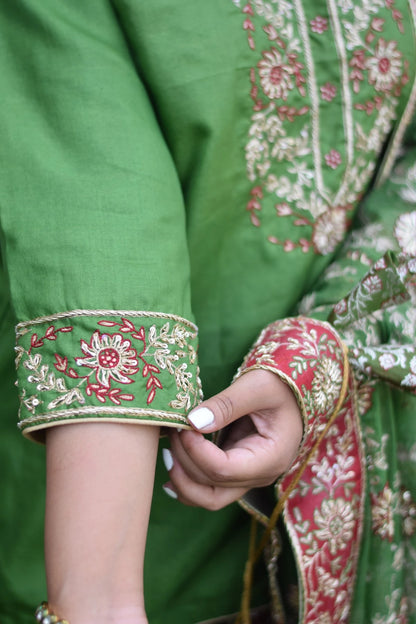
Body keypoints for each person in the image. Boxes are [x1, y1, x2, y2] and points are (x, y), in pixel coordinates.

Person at [0, 1, 416, 623]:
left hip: (329, 462)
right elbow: (97, 218)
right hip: (94, 495)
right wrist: (98, 593)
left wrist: (315, 357)